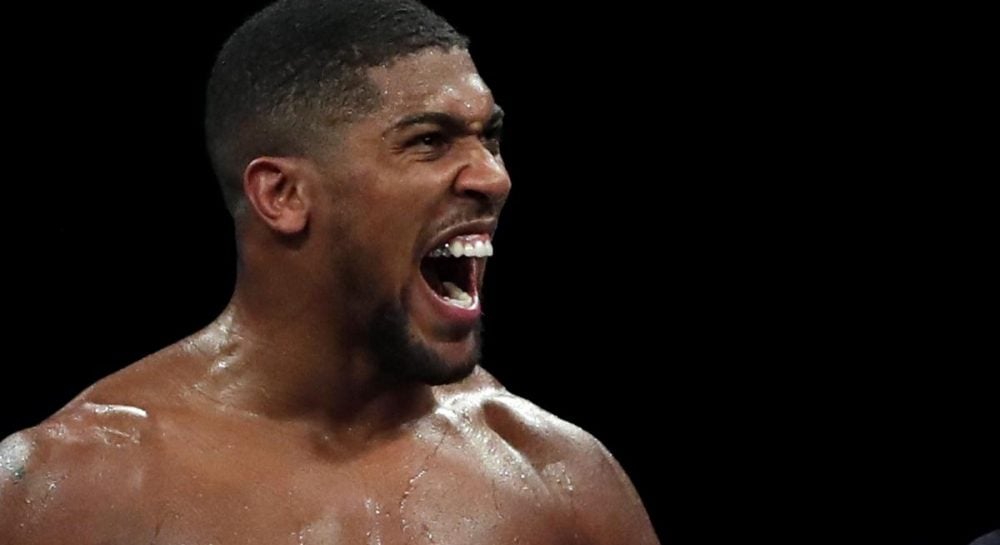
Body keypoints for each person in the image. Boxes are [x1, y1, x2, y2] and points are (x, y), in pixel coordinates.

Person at [0, 0, 659, 543]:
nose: (494, 177)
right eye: (429, 140)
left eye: (489, 136)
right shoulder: (67, 486)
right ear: (283, 195)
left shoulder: (552, 475)